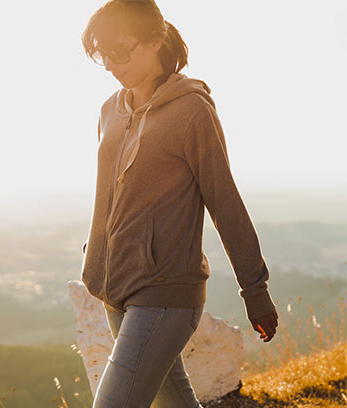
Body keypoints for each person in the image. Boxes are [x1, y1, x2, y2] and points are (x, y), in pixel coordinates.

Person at [78, 1, 279, 407]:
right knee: (176, 400)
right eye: (102, 54)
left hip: (167, 291)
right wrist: (97, 256)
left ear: (155, 40)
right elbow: (110, 194)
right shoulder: (109, 111)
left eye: (120, 51)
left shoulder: (191, 110)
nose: (110, 65)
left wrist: (254, 291)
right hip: (115, 285)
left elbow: (224, 201)